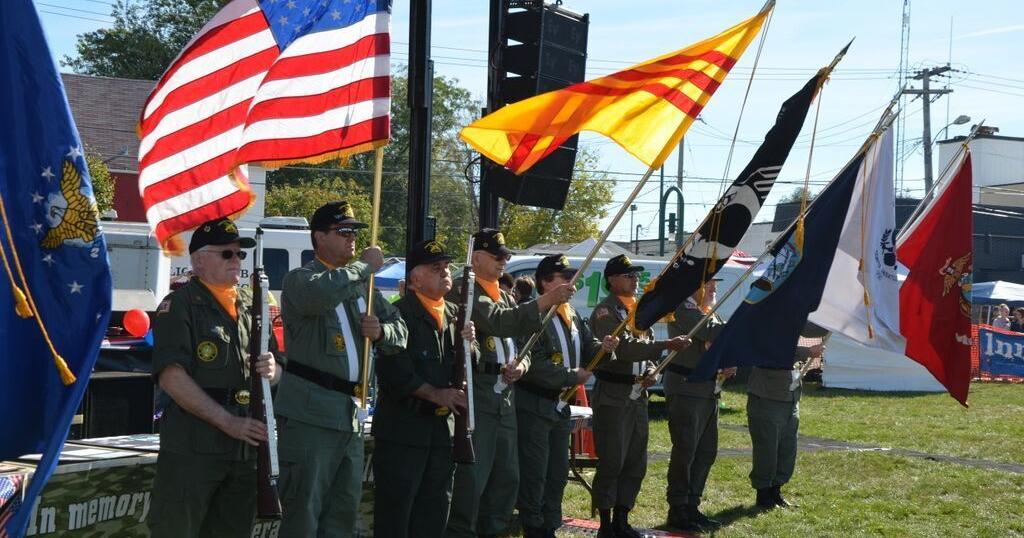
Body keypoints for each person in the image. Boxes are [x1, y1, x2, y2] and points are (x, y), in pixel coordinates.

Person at [275, 201, 408, 538]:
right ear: (319, 237)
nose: (352, 239)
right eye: (343, 231)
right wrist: (364, 266)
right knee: (305, 512)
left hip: (349, 414)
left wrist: (380, 332)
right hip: (311, 415)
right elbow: (318, 296)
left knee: (342, 515)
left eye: (354, 232)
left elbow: (401, 332)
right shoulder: (301, 280)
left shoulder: (363, 287)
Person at [148, 217, 279, 538]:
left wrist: (274, 371)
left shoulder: (252, 303)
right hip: (194, 447)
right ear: (199, 260)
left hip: (244, 446)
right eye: (227, 254)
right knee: (177, 530)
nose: (237, 261)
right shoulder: (179, 305)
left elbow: (276, 366)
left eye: (239, 254)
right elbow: (171, 377)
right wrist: (226, 421)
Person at [446, 229, 575, 538]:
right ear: (476, 258)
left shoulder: (502, 293)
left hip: (504, 395)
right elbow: (500, 322)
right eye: (497, 256)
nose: (504, 260)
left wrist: (523, 364)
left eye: (506, 256)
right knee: (474, 478)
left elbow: (523, 340)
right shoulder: (466, 290)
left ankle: (494, 531)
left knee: (507, 478)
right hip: (478, 391)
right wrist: (546, 300)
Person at [373, 239, 476, 537]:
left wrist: (470, 343)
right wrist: (436, 394)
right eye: (436, 268)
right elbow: (394, 371)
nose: (445, 273)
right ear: (415, 278)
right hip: (404, 430)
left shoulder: (456, 313)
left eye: (446, 267)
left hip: (441, 431)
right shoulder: (398, 314)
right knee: (397, 514)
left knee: (434, 513)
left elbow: (472, 362)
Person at [516, 254, 619, 538]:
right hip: (535, 402)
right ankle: (534, 526)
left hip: (561, 405)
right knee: (535, 471)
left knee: (558, 471)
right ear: (545, 282)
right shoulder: (531, 313)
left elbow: (588, 346)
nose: (572, 284)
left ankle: (550, 522)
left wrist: (605, 348)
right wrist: (572, 376)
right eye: (565, 278)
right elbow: (532, 363)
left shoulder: (570, 313)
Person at [588, 255, 690, 538]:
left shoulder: (636, 312)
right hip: (614, 394)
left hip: (637, 394)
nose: (634, 280)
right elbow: (627, 350)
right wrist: (667, 345)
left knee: (635, 460)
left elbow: (642, 352)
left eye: (635, 275)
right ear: (612, 280)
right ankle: (606, 524)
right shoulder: (606, 313)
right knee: (612, 460)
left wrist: (652, 371)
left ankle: (622, 518)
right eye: (628, 275)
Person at [664, 278, 735, 533]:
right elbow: (712, 332)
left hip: (706, 389)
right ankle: (678, 507)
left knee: (706, 451)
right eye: (710, 283)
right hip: (686, 388)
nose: (715, 288)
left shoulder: (705, 312)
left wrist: (722, 359)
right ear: (695, 286)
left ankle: (692, 505)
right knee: (686, 451)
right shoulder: (683, 309)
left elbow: (718, 338)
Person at [748, 322, 828, 509]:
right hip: (768, 392)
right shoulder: (766, 312)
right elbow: (773, 349)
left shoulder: (789, 313)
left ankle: (776, 490)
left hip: (789, 393)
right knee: (767, 447)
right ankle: (763, 493)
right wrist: (807, 352)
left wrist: (835, 319)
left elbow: (810, 328)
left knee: (787, 447)